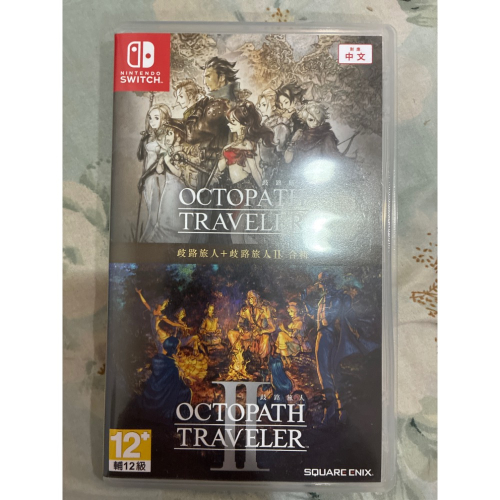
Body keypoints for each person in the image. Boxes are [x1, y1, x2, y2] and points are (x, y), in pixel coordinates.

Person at [216, 101, 274, 243]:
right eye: (229, 121)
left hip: (246, 188)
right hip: (233, 189)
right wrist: (223, 155)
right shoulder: (231, 145)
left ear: (243, 124)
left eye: (233, 122)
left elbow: (254, 169)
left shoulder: (248, 144)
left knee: (238, 233)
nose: (229, 124)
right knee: (237, 233)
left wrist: (263, 192)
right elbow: (220, 168)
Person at [139, 118, 191, 243]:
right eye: (166, 133)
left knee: (170, 220)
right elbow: (159, 170)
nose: (167, 137)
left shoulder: (181, 153)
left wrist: (168, 162)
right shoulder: (169, 151)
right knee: (162, 217)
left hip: (179, 189)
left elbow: (179, 173)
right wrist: (161, 161)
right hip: (169, 186)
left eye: (170, 133)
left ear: (178, 136)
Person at [136, 103, 172, 242]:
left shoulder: (165, 138)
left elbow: (158, 161)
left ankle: (146, 241)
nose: (152, 121)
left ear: (164, 119)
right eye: (150, 118)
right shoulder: (151, 136)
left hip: (157, 176)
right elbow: (140, 156)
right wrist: (143, 140)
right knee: (151, 208)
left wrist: (143, 177)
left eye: (156, 118)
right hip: (148, 177)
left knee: (154, 214)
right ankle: (146, 241)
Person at [136, 336, 192, 424]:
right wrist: (184, 380)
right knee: (187, 392)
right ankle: (180, 416)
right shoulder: (172, 366)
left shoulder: (159, 360)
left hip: (155, 389)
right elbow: (177, 384)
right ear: (173, 349)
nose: (179, 350)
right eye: (177, 348)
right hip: (167, 393)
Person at [284, 102, 341, 170]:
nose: (315, 123)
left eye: (318, 120)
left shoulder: (327, 135)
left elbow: (334, 159)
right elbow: (287, 160)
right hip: (299, 171)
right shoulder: (301, 134)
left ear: (322, 119)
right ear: (305, 119)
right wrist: (293, 142)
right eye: (311, 120)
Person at [227, 290, 276, 368]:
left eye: (252, 297)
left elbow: (273, 328)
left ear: (257, 298)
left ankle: (263, 362)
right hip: (250, 333)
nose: (251, 300)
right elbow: (240, 323)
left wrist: (261, 331)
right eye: (249, 298)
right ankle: (238, 357)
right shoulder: (245, 310)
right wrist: (241, 327)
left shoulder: (265, 309)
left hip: (260, 334)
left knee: (266, 337)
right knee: (231, 333)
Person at [256, 88, 291, 182]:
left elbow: (280, 157)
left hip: (275, 174)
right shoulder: (264, 126)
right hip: (265, 171)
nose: (260, 107)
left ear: (274, 107)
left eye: (264, 105)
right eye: (260, 105)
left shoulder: (280, 127)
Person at [135, 288, 184, 354]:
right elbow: (145, 303)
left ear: (162, 306)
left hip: (159, 332)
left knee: (163, 346)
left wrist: (181, 325)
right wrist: (140, 294)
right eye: (159, 305)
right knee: (161, 347)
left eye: (161, 305)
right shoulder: (153, 311)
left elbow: (172, 323)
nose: (159, 306)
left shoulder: (161, 316)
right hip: (155, 332)